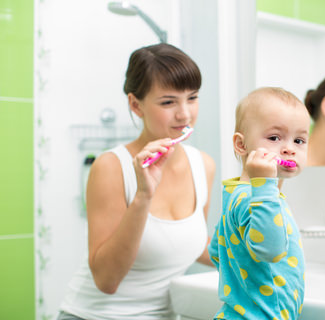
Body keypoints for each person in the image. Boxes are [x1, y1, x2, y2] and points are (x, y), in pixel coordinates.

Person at [57, 43, 215, 320]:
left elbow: (194, 245)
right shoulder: (110, 167)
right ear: (135, 104)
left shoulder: (203, 165)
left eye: (192, 98)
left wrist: (259, 253)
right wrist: (143, 196)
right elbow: (106, 280)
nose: (185, 114)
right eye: (168, 102)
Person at [208, 87, 309, 320]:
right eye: (274, 138)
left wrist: (246, 280)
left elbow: (216, 250)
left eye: (299, 140)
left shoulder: (240, 194)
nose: (289, 149)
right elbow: (271, 250)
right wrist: (264, 184)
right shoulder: (255, 197)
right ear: (241, 145)